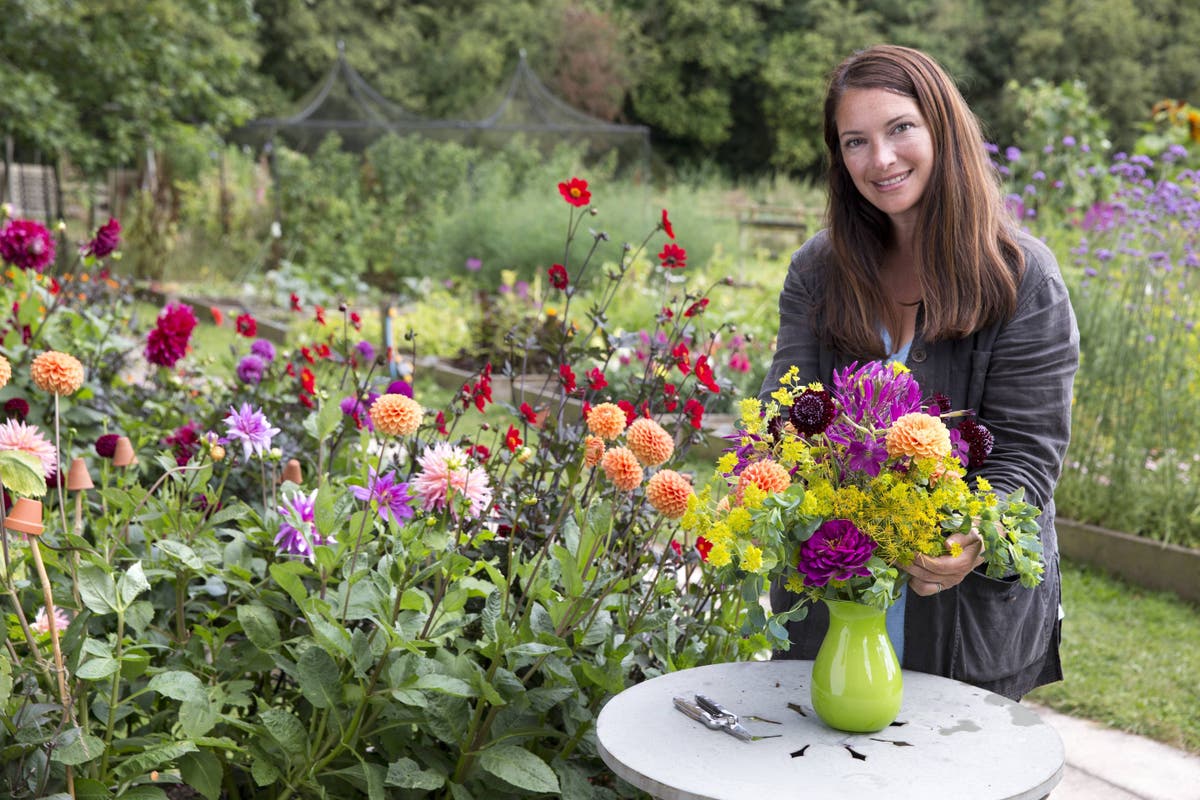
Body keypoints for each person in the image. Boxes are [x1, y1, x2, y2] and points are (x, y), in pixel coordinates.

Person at [759, 44, 1079, 701]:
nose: (880, 159)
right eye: (855, 141)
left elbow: (1025, 453)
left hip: (963, 620)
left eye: (900, 128)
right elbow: (785, 422)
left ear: (943, 129)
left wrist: (973, 538)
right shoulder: (818, 272)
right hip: (835, 606)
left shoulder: (1022, 279)